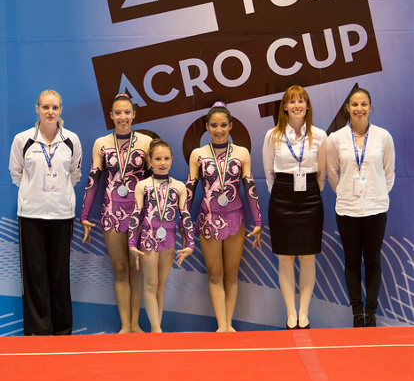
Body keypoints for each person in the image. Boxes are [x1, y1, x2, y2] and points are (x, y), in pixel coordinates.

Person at [9, 90, 82, 335]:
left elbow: (74, 175)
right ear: (37, 109)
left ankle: (62, 329)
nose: (50, 112)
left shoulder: (71, 139)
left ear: (61, 110)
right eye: (46, 107)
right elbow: (16, 173)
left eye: (55, 107)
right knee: (35, 273)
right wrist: (35, 194)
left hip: (62, 213)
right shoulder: (23, 139)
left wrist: (57, 194)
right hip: (31, 213)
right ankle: (38, 330)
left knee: (60, 273)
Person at [186, 101, 262, 332]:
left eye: (223, 125)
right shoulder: (198, 154)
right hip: (208, 219)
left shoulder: (241, 153)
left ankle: (229, 325)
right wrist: (184, 220)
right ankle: (222, 326)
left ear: (230, 126)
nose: (219, 130)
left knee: (231, 273)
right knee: (215, 273)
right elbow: (190, 189)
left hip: (235, 218)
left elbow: (250, 188)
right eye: (214, 125)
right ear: (207, 127)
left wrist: (258, 221)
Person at [80, 93, 152, 333]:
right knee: (120, 268)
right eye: (118, 113)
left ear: (134, 114)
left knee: (136, 268)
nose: (123, 117)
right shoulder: (101, 143)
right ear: (111, 116)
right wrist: (84, 215)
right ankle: (124, 326)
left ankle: (135, 324)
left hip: (138, 214)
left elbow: (155, 182)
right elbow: (93, 179)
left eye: (127, 112)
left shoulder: (145, 142)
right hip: (111, 213)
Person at [326, 87, 395, 328]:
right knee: (352, 261)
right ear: (347, 108)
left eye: (363, 104)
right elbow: (333, 172)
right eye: (354, 104)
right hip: (347, 209)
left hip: (376, 208)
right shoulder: (335, 139)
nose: (359, 109)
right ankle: (357, 313)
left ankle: (371, 313)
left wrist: (376, 194)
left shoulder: (383, 137)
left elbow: (389, 172)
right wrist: (345, 192)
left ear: (370, 107)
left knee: (373, 260)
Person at [262, 85, 326, 329]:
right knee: (286, 257)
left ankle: (304, 312)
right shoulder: (272, 136)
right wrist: (281, 191)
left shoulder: (319, 135)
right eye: (292, 101)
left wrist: (312, 190)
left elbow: (321, 172)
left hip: (310, 196)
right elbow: (268, 171)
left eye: (301, 101)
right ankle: (291, 313)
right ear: (285, 107)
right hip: (282, 196)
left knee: (308, 257)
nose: (297, 105)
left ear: (307, 106)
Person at [129, 139, 194, 332]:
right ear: (150, 161)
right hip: (148, 239)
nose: (162, 162)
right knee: (150, 282)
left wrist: (189, 243)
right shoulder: (142, 185)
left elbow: (185, 216)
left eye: (166, 158)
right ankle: (157, 330)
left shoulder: (179, 187)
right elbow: (135, 215)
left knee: (160, 285)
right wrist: (132, 243)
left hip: (169, 239)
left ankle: (155, 327)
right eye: (158, 159)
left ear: (172, 160)